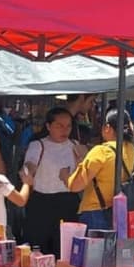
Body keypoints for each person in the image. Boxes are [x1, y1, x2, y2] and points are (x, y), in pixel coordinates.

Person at [66, 109, 134, 231]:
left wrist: (66, 175)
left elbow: (75, 186)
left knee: (96, 250)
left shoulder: (101, 152)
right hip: (127, 215)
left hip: (97, 213)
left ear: (107, 128)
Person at [21, 107, 84, 255]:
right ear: (48, 126)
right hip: (42, 203)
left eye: (68, 126)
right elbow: (29, 164)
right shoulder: (38, 145)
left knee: (65, 249)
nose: (64, 130)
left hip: (68, 202)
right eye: (59, 126)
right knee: (38, 249)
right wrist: (27, 172)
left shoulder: (75, 146)